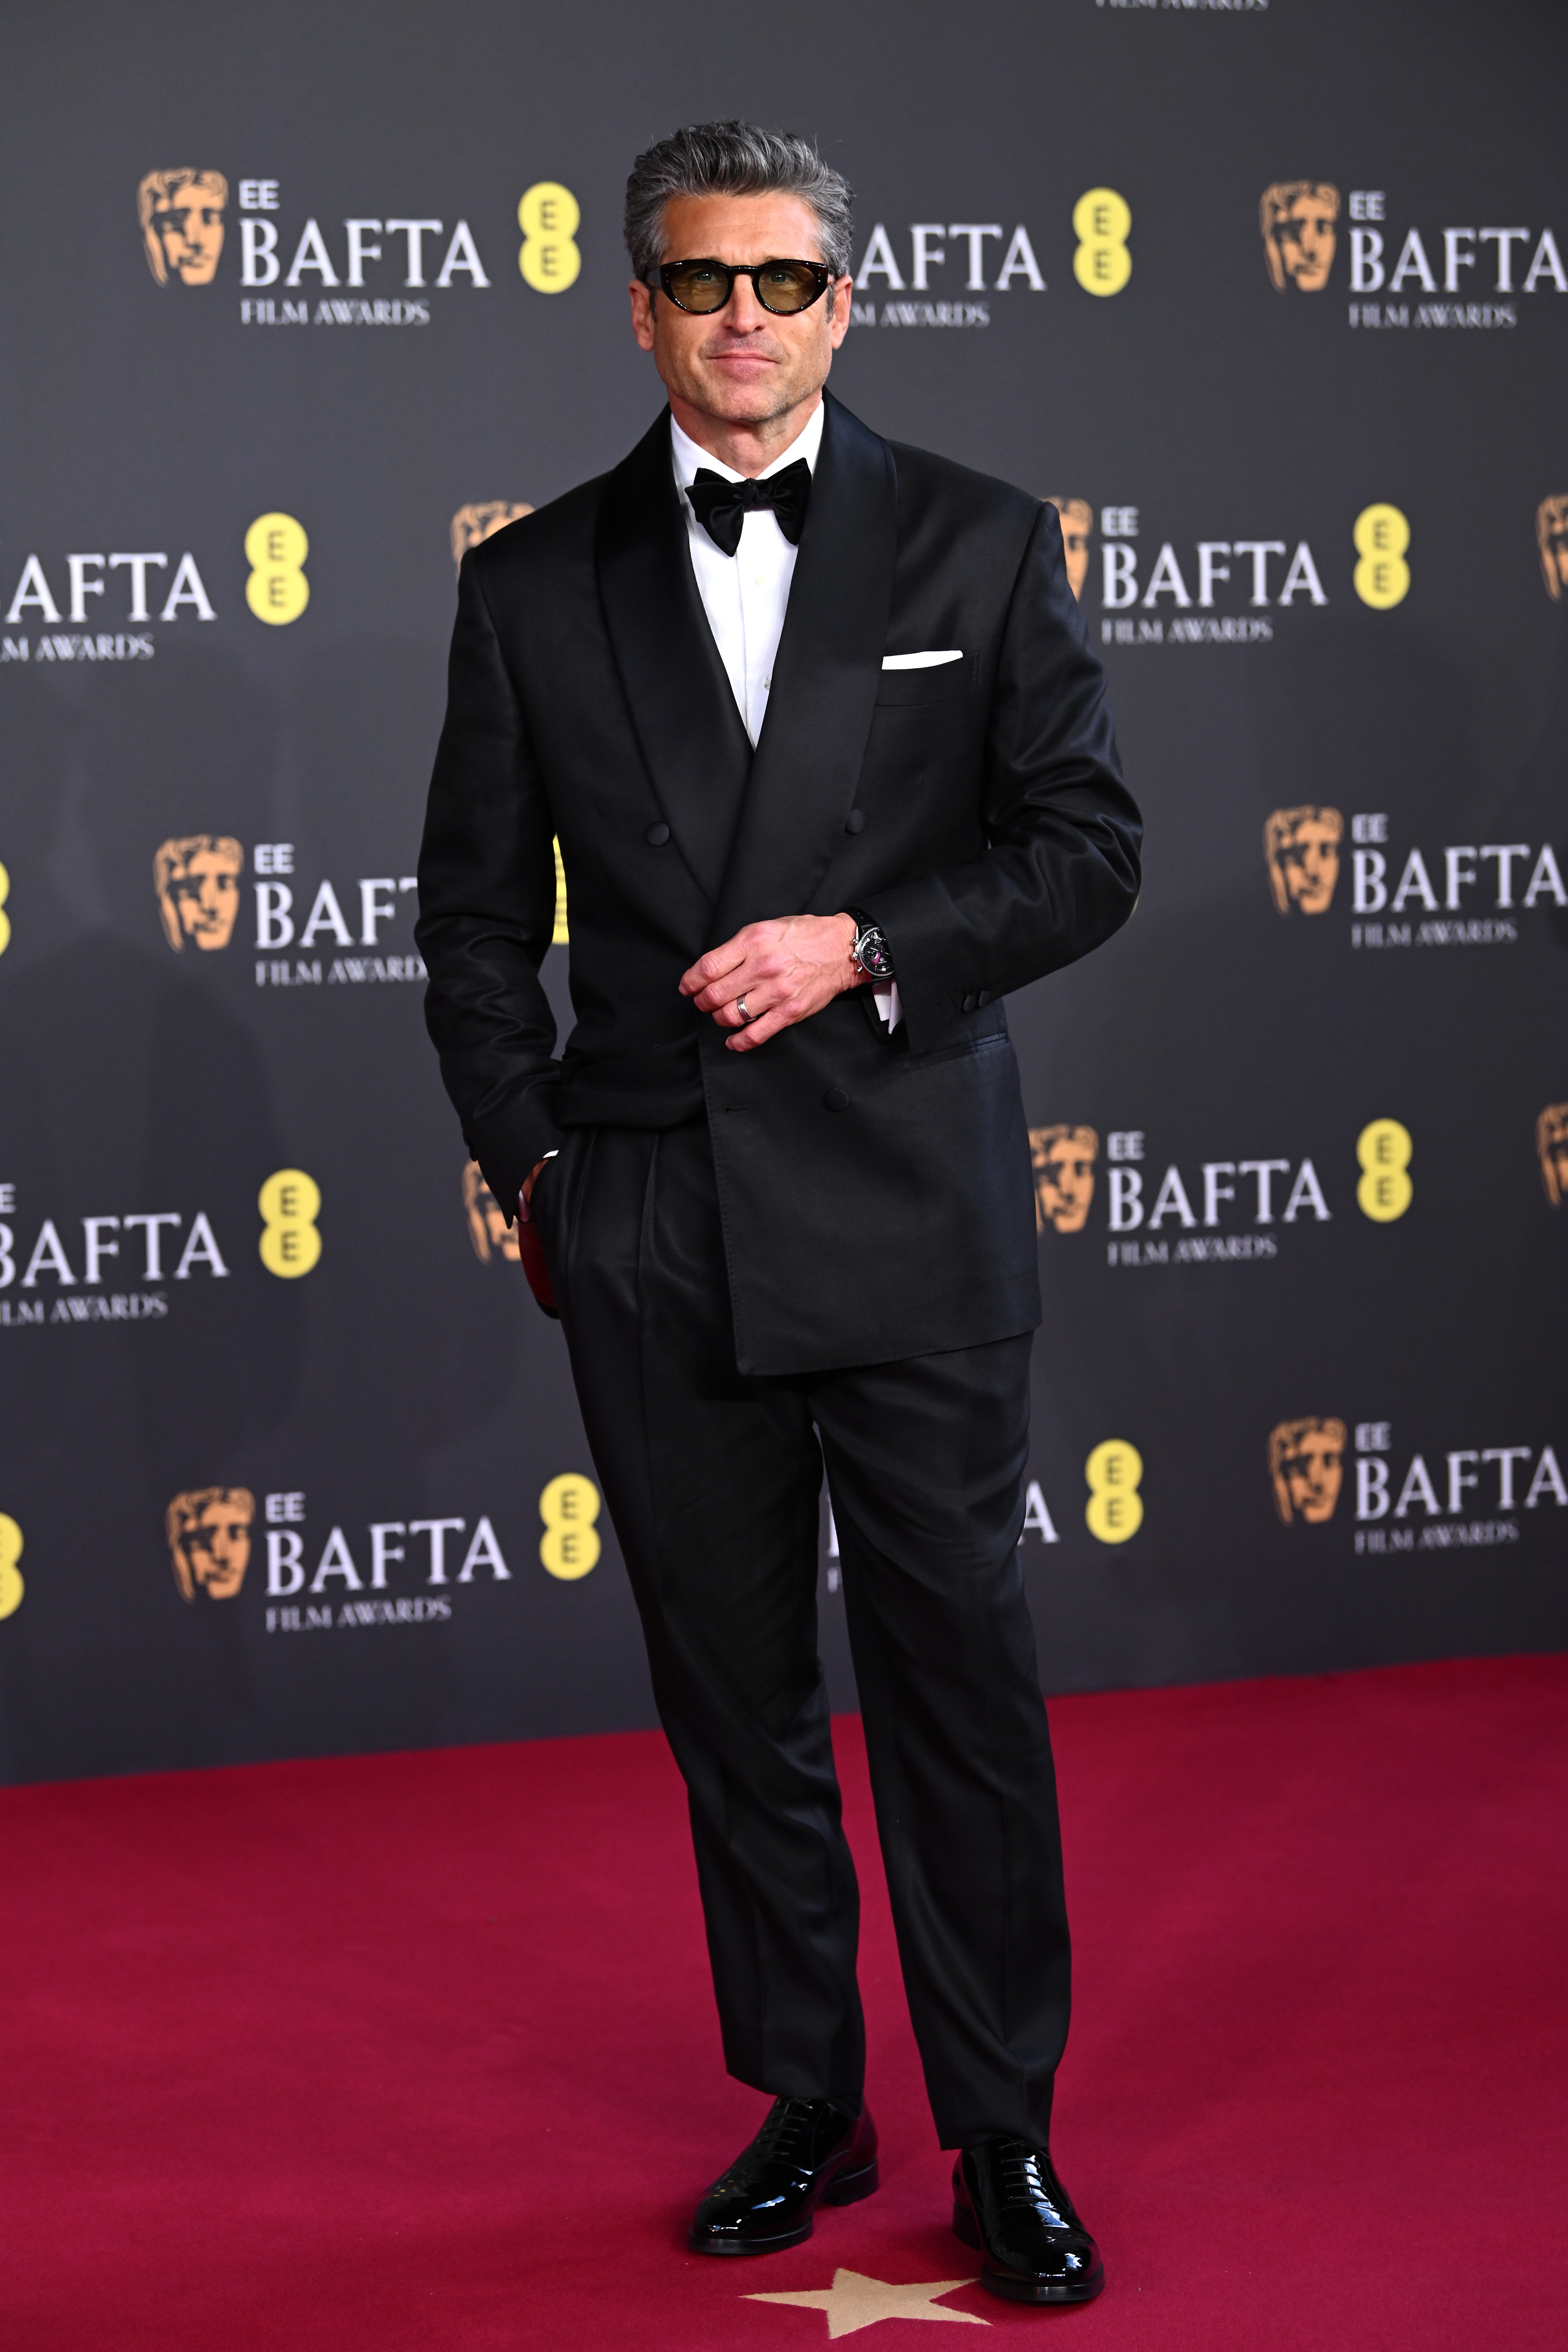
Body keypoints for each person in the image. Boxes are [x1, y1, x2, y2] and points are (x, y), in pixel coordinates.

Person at [417, 120, 1140, 2306]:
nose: (749, 315)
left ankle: (1000, 2128)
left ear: (849, 300)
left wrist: (868, 944)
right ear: (640, 304)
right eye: (705, 279)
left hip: (905, 1195)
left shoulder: (985, 545)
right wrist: (543, 1176)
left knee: (957, 1686)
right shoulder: (532, 579)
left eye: (788, 280)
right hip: (653, 1216)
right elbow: (466, 926)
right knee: (732, 1698)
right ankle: (808, 2098)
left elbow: (1086, 848)